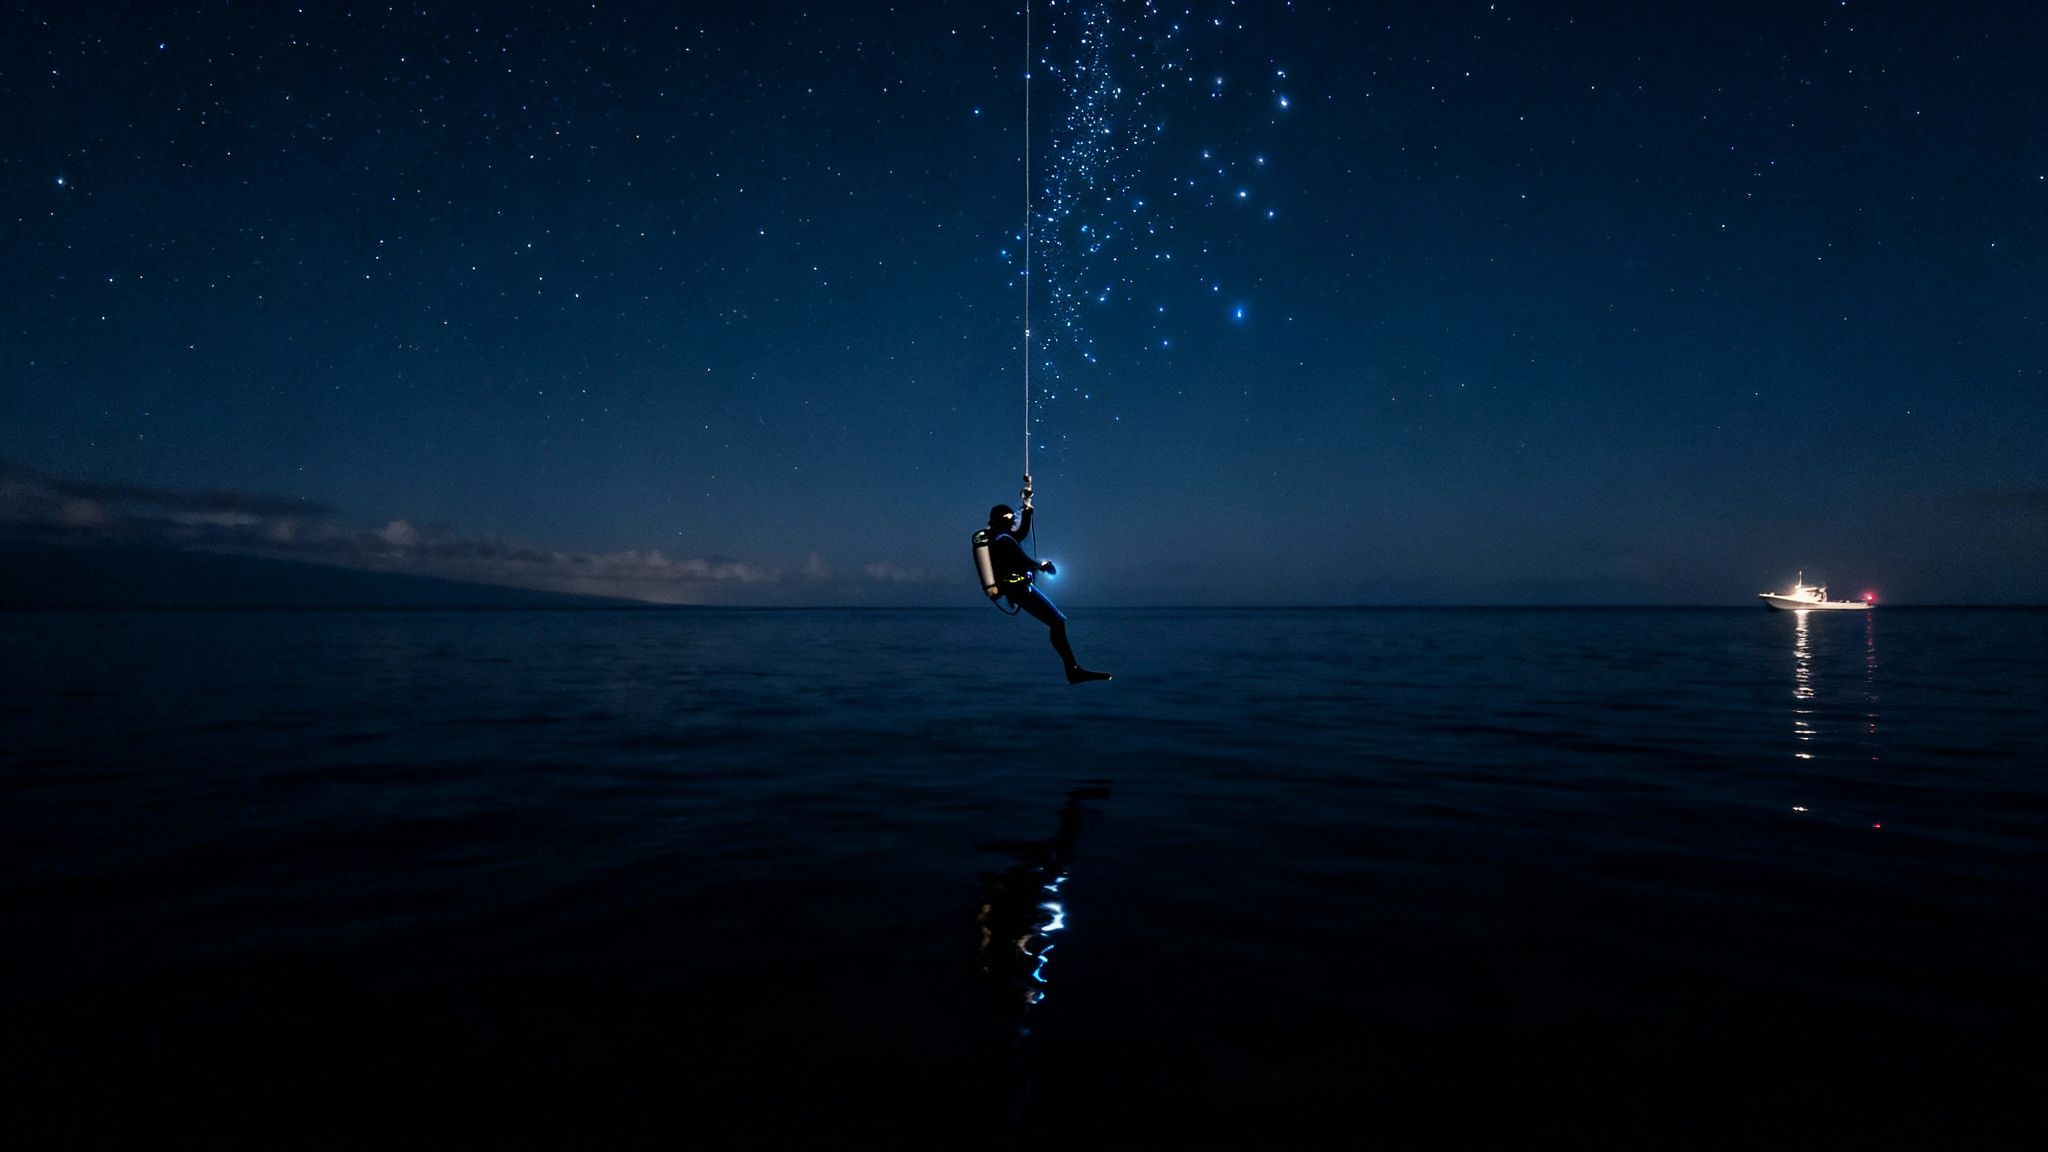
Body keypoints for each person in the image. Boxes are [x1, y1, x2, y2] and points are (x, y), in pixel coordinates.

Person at [985, 494, 1111, 684]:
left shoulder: (1003, 537)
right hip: (1018, 589)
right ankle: (1073, 671)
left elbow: (1022, 533)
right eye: (1010, 518)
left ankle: (1073, 669)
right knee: (1057, 621)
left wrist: (1026, 508)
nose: (1013, 522)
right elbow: (1023, 560)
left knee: (1057, 621)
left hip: (1018, 588)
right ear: (1003, 521)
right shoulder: (1002, 540)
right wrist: (1043, 565)